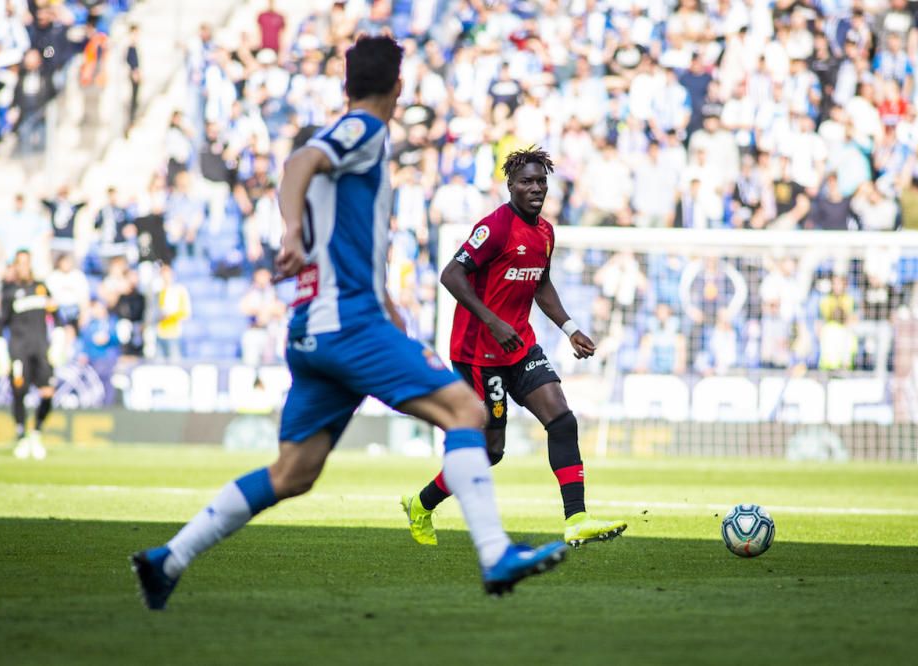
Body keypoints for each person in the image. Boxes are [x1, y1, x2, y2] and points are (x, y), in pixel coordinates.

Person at [131, 37, 566, 610]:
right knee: (467, 412)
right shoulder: (367, 129)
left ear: (345, 83)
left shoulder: (360, 152)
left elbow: (345, 233)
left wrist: (384, 297)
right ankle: (495, 555)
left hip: (315, 327)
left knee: (293, 473)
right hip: (349, 328)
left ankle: (168, 560)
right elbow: (298, 161)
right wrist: (288, 231)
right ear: (399, 87)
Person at [401, 147, 627, 549]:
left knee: (562, 420)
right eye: (527, 181)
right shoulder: (495, 228)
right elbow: (451, 274)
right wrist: (491, 320)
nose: (536, 188)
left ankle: (576, 519)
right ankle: (421, 503)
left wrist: (569, 327)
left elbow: (540, 283)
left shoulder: (544, 232)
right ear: (510, 185)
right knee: (490, 452)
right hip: (477, 353)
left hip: (520, 346)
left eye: (541, 181)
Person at [0, 250, 56, 461]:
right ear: (15, 266)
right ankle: (22, 435)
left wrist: (59, 339)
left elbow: (56, 315)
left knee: (48, 392)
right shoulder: (10, 292)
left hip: (41, 349)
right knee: (19, 391)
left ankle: (37, 431)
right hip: (19, 350)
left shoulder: (41, 288)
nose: (23, 267)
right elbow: (1, 324)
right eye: (19, 263)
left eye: (26, 263)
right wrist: (0, 349)